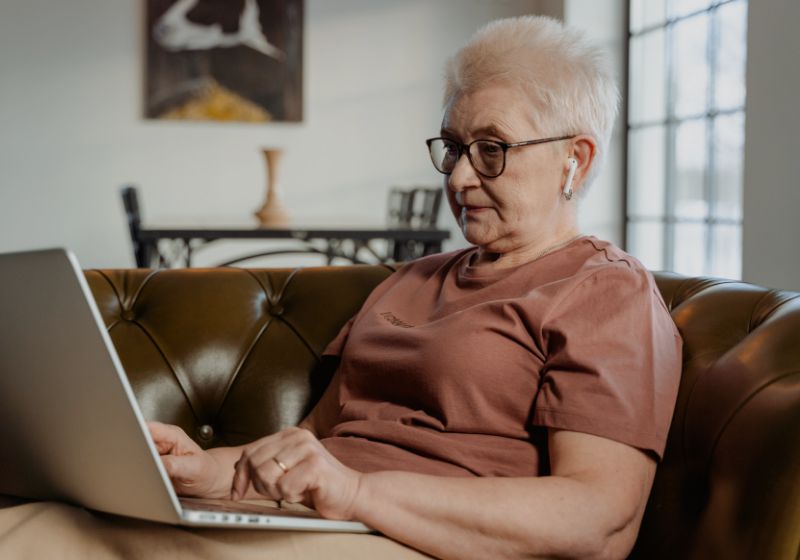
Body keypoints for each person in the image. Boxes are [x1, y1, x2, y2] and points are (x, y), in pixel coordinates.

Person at [150, 15, 681, 560]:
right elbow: (316, 441)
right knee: (62, 526)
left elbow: (599, 522)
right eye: (453, 147)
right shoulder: (410, 280)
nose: (458, 178)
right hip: (322, 525)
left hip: (420, 541)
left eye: (492, 149)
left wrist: (357, 493)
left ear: (576, 158)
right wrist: (207, 473)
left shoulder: (606, 291)